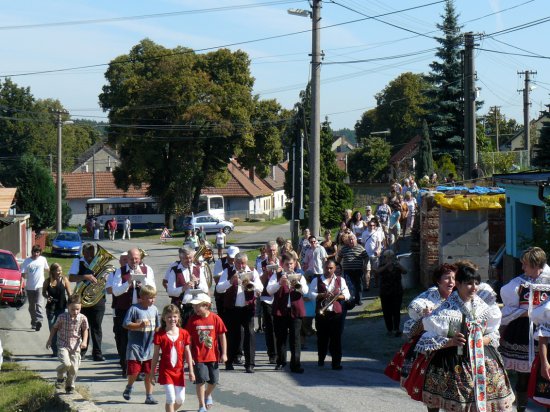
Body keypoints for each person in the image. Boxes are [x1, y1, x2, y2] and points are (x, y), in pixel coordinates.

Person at [413, 265, 515, 411]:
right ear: (458, 284)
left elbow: (493, 333)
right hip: (451, 359)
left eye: (476, 283)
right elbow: (427, 339)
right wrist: (451, 341)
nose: (473, 288)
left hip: (481, 358)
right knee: (450, 403)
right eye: (469, 283)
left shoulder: (483, 307)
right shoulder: (444, 310)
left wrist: (482, 340)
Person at [385, 263, 457, 385]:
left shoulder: (457, 295)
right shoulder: (430, 295)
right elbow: (414, 306)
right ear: (438, 281)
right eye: (447, 277)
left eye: (454, 278)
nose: (451, 281)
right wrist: (424, 311)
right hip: (432, 344)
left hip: (453, 341)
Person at [499, 247, 550, 411]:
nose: (523, 268)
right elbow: (508, 309)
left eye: (526, 265)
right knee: (523, 377)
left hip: (546, 332)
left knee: (545, 374)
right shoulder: (518, 283)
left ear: (536, 265)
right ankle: (521, 408)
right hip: (522, 332)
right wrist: (527, 313)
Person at [215, 252, 263, 373]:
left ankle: (250, 364)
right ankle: (229, 361)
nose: (241, 266)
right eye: (238, 263)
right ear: (234, 262)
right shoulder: (228, 271)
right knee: (231, 335)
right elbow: (219, 288)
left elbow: (260, 287)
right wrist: (230, 281)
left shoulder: (252, 271)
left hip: (247, 308)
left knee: (249, 335)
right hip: (232, 308)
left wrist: (250, 284)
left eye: (243, 263)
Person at [112, 248, 156, 376]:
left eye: (136, 259)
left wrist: (142, 280)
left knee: (142, 340)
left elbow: (152, 289)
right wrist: (128, 282)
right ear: (127, 259)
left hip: (142, 309)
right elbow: (116, 291)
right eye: (131, 259)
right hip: (125, 309)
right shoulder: (120, 271)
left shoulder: (147, 270)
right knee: (124, 340)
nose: (134, 261)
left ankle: (140, 369)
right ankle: (126, 368)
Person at [186, 293, 228, 412]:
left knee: (214, 380)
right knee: (201, 380)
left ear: (206, 305)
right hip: (198, 356)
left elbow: (222, 336)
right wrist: (189, 356)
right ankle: (201, 405)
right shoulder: (192, 320)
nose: (194, 309)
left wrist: (224, 353)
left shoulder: (215, 318)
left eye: (197, 306)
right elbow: (187, 339)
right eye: (193, 306)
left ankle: (207, 394)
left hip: (213, 355)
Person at [267, 253, 308, 373]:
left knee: (295, 338)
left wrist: (297, 285)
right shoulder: (277, 275)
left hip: (295, 310)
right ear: (282, 264)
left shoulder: (300, 276)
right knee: (280, 338)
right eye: (287, 264)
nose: (289, 266)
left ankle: (296, 364)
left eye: (291, 264)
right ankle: (281, 362)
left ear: (294, 264)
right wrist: (280, 283)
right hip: (280, 310)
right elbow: (269, 290)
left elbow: (305, 291)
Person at [150, 304, 194, 412]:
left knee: (180, 400)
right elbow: (155, 355)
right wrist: (152, 373)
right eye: (169, 316)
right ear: (164, 318)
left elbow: (188, 352)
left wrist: (191, 371)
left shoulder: (184, 333)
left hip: (179, 371)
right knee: (171, 399)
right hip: (166, 371)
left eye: (174, 316)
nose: (172, 319)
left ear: (178, 317)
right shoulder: (160, 334)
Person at [122, 284, 160, 405]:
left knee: (150, 372)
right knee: (134, 371)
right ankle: (129, 386)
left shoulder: (154, 309)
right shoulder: (134, 309)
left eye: (154, 297)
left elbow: (158, 327)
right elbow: (125, 324)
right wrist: (139, 325)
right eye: (150, 297)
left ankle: (149, 396)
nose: (152, 300)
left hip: (149, 346)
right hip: (135, 346)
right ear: (142, 297)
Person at [309, 259, 350, 370]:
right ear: (323, 268)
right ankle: (321, 359)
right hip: (322, 313)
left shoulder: (340, 280)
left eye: (331, 268)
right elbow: (310, 294)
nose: (328, 270)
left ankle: (336, 363)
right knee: (322, 338)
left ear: (335, 269)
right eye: (326, 268)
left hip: (336, 313)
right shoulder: (316, 280)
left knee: (336, 339)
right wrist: (322, 295)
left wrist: (336, 297)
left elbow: (347, 295)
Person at [69, 243, 106, 361]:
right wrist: (85, 277)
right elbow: (71, 278)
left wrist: (104, 278)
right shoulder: (78, 262)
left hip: (98, 299)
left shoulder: (99, 262)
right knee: (83, 326)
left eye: (92, 252)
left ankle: (97, 353)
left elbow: (106, 277)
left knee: (96, 326)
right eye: (88, 252)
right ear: (83, 253)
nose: (90, 254)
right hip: (82, 299)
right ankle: (82, 352)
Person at [46, 294, 89, 394]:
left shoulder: (82, 318)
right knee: (66, 364)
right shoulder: (62, 317)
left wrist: (85, 341)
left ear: (81, 307)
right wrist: (49, 340)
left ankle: (69, 385)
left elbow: (85, 330)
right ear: (68, 306)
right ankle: (60, 376)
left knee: (74, 368)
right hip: (63, 344)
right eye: (73, 309)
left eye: (78, 309)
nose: (75, 312)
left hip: (76, 346)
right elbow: (55, 328)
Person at [165, 246, 210, 327]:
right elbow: (170, 291)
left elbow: (206, 289)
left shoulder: (198, 269)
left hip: (196, 308)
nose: (189, 260)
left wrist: (198, 282)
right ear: (180, 258)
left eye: (191, 258)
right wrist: (183, 288)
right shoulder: (175, 270)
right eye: (186, 258)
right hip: (180, 308)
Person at [42, 263, 71, 357]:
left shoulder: (64, 280)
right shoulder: (47, 281)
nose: (60, 272)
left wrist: (72, 303)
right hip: (51, 308)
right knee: (53, 329)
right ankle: (55, 351)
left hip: (62, 308)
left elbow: (70, 293)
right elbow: (43, 292)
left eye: (61, 270)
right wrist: (47, 297)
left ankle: (61, 349)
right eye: (58, 270)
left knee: (61, 330)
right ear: (53, 271)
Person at [377, 250, 407, 337]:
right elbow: (377, 272)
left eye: (391, 257)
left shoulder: (397, 266)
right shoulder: (382, 265)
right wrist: (386, 266)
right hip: (385, 292)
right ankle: (389, 329)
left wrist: (399, 266)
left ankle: (396, 329)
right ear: (385, 258)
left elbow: (405, 271)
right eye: (388, 257)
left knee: (396, 311)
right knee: (387, 312)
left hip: (397, 292)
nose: (390, 259)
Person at [259, 240, 280, 365]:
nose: (272, 252)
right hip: (266, 298)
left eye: (274, 250)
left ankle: (280, 352)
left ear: (276, 250)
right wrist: (267, 272)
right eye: (269, 250)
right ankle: (272, 354)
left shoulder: (282, 261)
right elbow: (260, 282)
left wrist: (280, 271)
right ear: (266, 251)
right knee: (270, 326)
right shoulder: (261, 263)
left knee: (280, 326)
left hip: (280, 298)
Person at [21, 245, 49, 331]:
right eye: (34, 252)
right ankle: (33, 322)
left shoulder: (43, 259)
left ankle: (39, 321)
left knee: (39, 304)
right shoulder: (27, 261)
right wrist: (22, 283)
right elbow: (23, 274)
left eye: (38, 252)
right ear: (32, 252)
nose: (36, 254)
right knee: (31, 306)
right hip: (30, 287)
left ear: (40, 253)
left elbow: (47, 269)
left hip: (40, 286)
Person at [337, 233, 368, 305]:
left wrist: (365, 265)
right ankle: (350, 300)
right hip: (347, 270)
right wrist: (337, 265)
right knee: (348, 285)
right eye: (350, 239)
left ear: (355, 240)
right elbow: (339, 258)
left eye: (352, 239)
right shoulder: (344, 248)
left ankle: (358, 299)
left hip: (358, 270)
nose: (351, 241)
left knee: (358, 285)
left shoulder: (360, 248)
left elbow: (366, 257)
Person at [360, 219, 384, 289]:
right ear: (368, 225)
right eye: (370, 225)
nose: (372, 226)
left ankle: (376, 283)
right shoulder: (364, 233)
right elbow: (362, 244)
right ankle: (367, 286)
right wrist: (362, 252)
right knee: (367, 270)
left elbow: (379, 244)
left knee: (375, 271)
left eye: (373, 225)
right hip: (366, 255)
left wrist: (378, 250)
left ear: (375, 226)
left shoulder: (377, 233)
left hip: (374, 255)